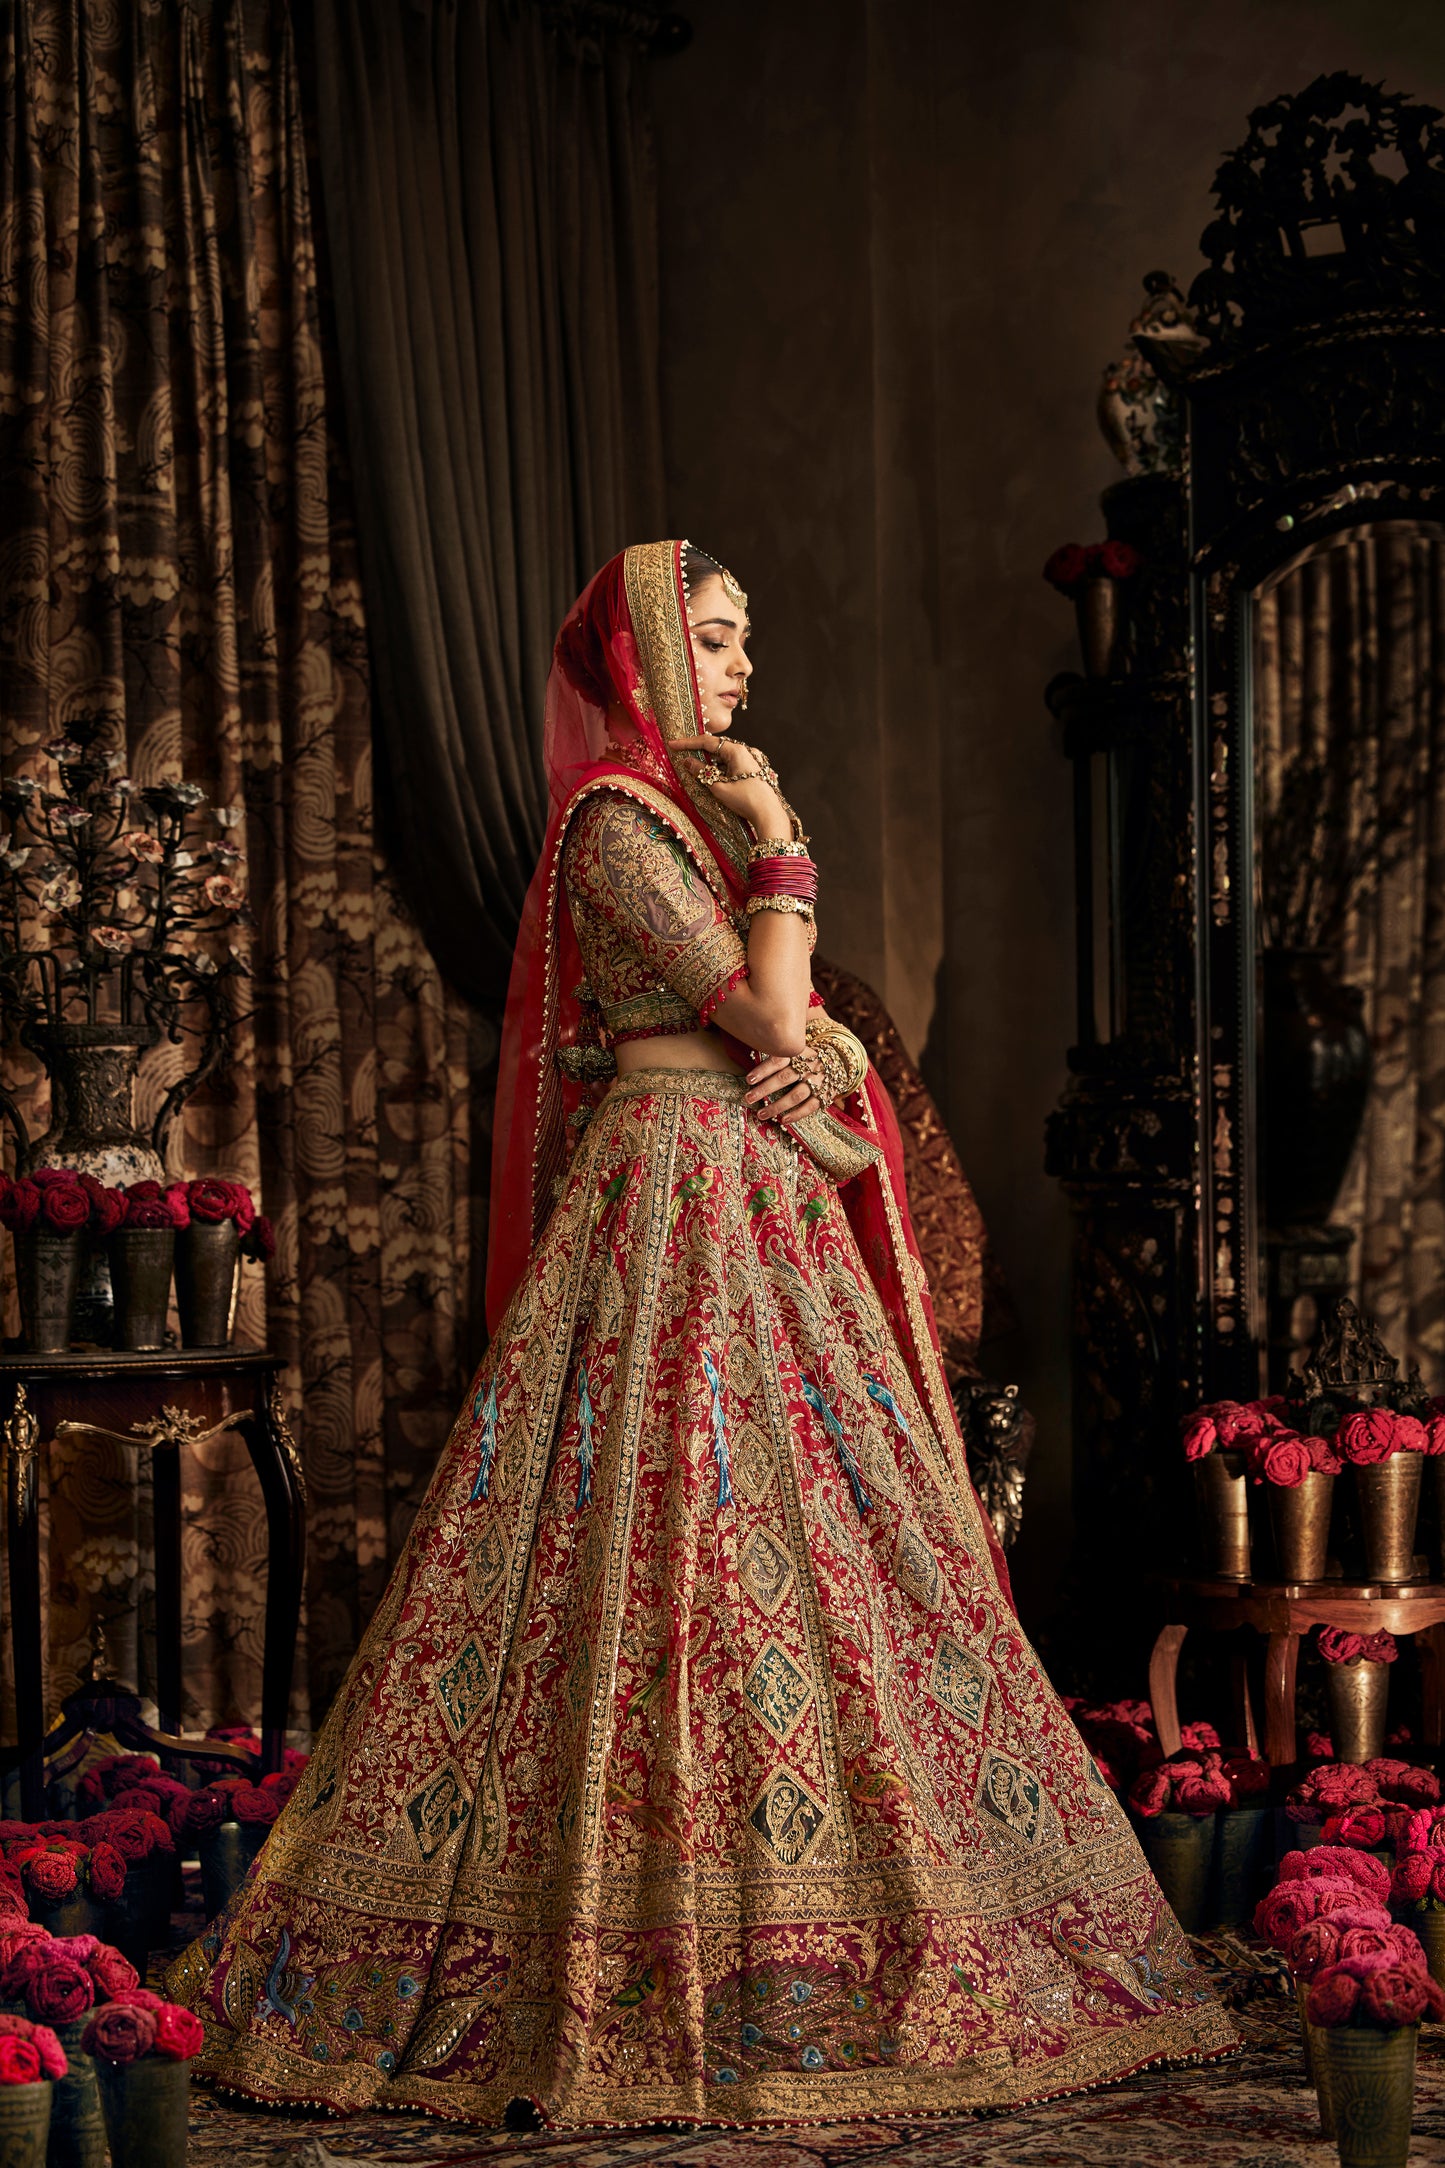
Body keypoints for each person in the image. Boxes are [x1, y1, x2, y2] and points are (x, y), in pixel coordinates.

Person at [169, 540, 1237, 2126]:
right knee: (649, 1538)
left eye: (746, 643)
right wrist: (784, 855)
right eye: (717, 642)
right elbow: (768, 1016)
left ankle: (842, 1917)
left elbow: (791, 1044)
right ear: (645, 661)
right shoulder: (612, 825)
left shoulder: (669, 821)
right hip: (666, 1202)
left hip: (748, 1196)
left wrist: (802, 1045)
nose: (742, 671)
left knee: (812, 1540)